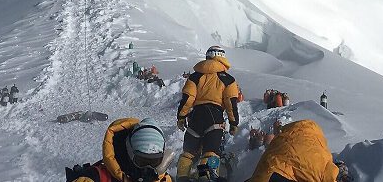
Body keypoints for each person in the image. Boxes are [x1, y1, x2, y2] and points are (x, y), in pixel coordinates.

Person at [176, 45, 241, 181]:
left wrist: (181, 117)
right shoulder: (228, 80)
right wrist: (234, 123)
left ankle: (182, 177)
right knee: (210, 152)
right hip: (215, 117)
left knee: (188, 153)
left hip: (195, 116)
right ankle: (204, 177)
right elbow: (231, 103)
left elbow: (187, 98)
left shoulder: (195, 77)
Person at [67, 118, 173, 182]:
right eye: (141, 161)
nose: (147, 168)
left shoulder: (163, 179)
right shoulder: (95, 178)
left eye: (154, 162)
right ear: (129, 152)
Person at [246, 120, 339, 182]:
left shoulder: (286, 136)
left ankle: (257, 140)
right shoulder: (322, 153)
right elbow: (330, 175)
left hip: (268, 175)